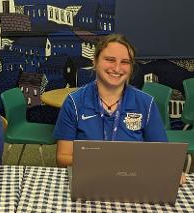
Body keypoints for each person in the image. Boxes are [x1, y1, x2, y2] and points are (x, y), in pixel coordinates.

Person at [54, 34, 186, 184]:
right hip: (89, 181)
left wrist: (171, 169)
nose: (117, 68)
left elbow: (162, 154)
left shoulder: (146, 103)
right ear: (95, 62)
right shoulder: (74, 102)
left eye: (125, 62)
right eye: (110, 60)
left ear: (131, 68)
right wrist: (106, 164)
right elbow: (62, 157)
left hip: (133, 182)